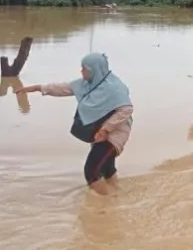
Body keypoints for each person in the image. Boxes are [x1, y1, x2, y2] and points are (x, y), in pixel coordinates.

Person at [16, 53, 133, 195]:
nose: (81, 72)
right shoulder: (85, 84)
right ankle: (116, 197)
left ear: (95, 69)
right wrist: (36, 88)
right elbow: (62, 88)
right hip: (98, 131)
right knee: (106, 168)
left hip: (114, 133)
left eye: (85, 69)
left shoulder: (115, 88)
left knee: (91, 171)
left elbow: (126, 109)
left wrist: (106, 129)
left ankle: (104, 203)